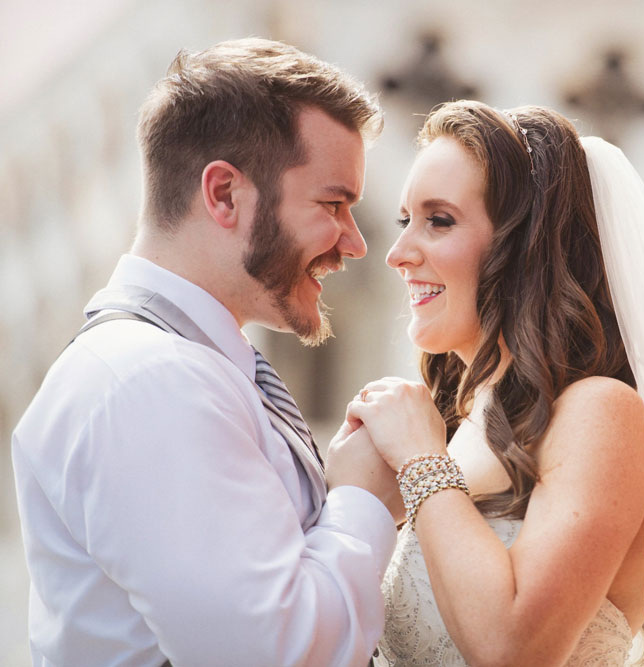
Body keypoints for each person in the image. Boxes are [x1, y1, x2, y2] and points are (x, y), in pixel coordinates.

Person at [328, 101, 644, 666]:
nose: (397, 254)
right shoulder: (459, 429)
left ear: (524, 246)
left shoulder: (599, 412)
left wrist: (420, 462)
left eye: (439, 220)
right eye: (404, 220)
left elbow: (511, 649)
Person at [11, 38, 400, 666]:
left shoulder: (188, 369)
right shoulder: (149, 381)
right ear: (223, 194)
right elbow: (273, 654)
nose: (354, 244)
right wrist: (363, 499)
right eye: (333, 205)